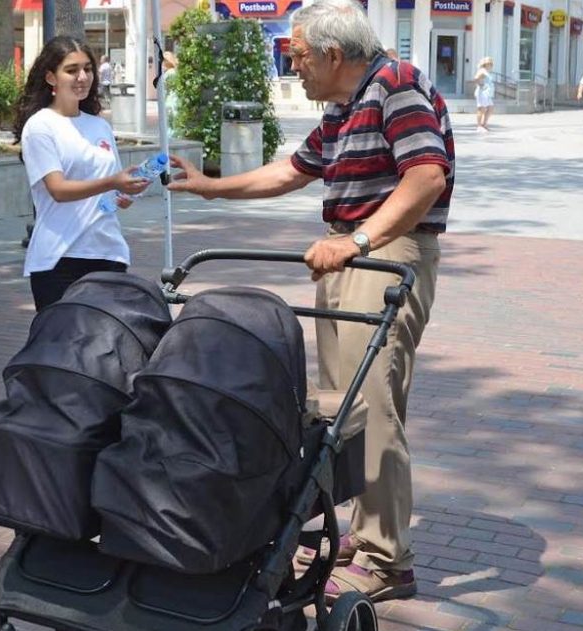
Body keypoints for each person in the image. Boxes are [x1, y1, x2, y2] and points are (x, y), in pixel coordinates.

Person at [167, 0, 452, 603]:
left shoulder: (394, 85)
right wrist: (209, 188)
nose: (292, 66)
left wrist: (357, 241)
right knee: (345, 409)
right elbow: (292, 171)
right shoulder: (344, 107)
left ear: (332, 54)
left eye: (297, 55)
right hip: (352, 255)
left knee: (372, 408)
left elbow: (427, 176)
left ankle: (387, 560)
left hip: (383, 254)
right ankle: (367, 533)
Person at [12, 35, 150, 311]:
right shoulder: (40, 126)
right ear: (51, 77)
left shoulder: (100, 126)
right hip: (60, 260)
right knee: (63, 338)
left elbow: (107, 195)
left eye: (87, 69)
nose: (82, 77)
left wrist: (123, 194)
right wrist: (112, 182)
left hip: (109, 254)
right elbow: (58, 190)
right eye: (72, 70)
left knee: (109, 337)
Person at [473, 56, 495, 132]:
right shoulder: (482, 70)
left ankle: (484, 124)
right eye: (489, 63)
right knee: (481, 109)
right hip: (482, 93)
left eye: (491, 63)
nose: (490, 65)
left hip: (487, 94)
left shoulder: (486, 71)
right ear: (485, 64)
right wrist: (480, 84)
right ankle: (479, 126)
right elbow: (476, 78)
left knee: (490, 107)